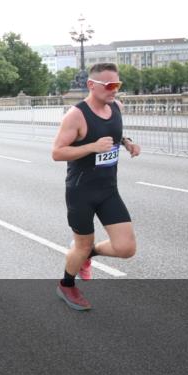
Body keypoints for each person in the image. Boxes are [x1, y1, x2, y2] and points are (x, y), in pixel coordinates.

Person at [51, 63, 140, 311]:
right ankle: (66, 285)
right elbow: (57, 152)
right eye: (110, 86)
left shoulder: (117, 107)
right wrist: (91, 147)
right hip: (81, 191)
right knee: (81, 243)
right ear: (92, 85)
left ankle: (86, 255)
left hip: (109, 189)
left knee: (126, 248)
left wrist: (127, 142)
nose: (115, 90)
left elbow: (113, 132)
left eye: (118, 85)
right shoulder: (76, 115)